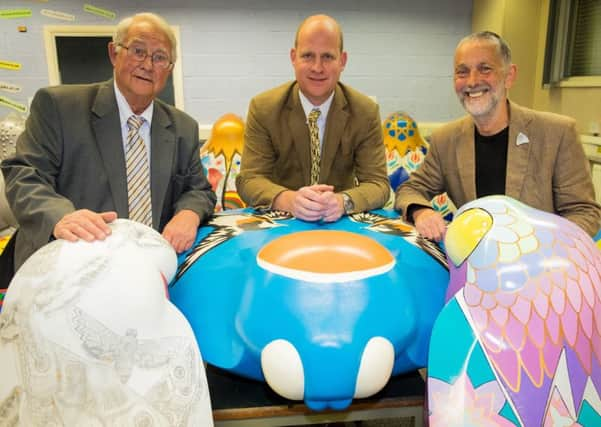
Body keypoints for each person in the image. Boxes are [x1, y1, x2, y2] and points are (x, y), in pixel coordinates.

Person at [1, 12, 216, 281]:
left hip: (145, 273)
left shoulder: (183, 127)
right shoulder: (59, 107)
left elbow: (198, 189)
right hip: (66, 271)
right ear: (114, 53)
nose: (148, 64)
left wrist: (189, 213)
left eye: (159, 57)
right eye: (138, 51)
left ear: (169, 69)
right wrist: (60, 216)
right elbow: (24, 175)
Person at [395, 31, 601, 240]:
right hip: (475, 262)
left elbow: (585, 212)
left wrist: (545, 248)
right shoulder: (445, 140)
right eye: (462, 72)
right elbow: (411, 189)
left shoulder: (557, 133)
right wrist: (422, 212)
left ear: (509, 76)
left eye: (485, 69)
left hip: (543, 264)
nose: (472, 81)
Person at [236, 14, 389, 223]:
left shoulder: (365, 112)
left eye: (327, 56)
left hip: (341, 224)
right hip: (282, 221)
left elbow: (378, 184)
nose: (317, 67)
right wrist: (290, 200)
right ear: (293, 57)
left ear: (342, 61)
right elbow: (249, 180)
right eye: (308, 55)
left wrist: (343, 201)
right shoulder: (263, 109)